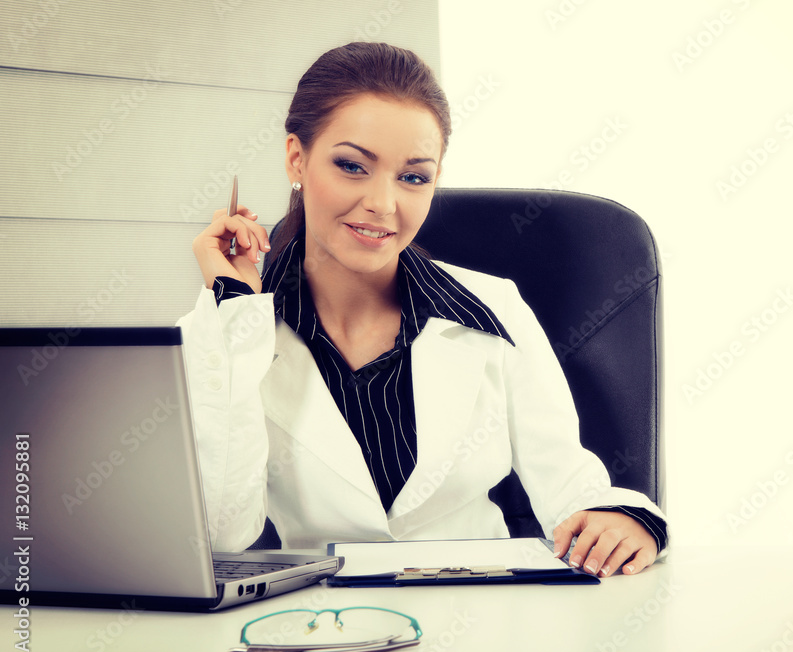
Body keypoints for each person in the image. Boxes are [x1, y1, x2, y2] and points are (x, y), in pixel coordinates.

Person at [179, 42, 667, 577]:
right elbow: (223, 530)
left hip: (483, 623)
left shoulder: (493, 306)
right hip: (325, 630)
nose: (384, 204)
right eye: (352, 166)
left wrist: (622, 518)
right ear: (297, 157)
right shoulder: (231, 330)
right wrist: (236, 311)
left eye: (413, 177)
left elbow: (571, 486)